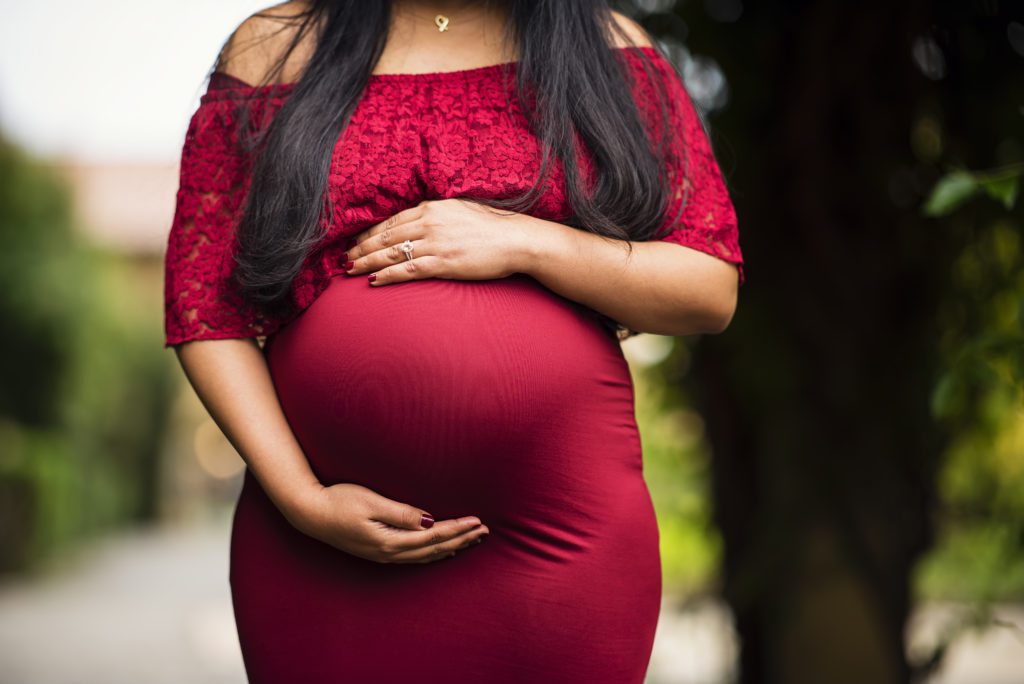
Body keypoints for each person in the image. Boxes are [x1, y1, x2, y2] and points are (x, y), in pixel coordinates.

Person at [164, 0, 744, 681]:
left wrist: (527, 240)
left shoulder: (608, 48)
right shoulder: (275, 48)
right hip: (321, 543)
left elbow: (707, 285)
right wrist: (301, 498)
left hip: (557, 540)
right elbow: (205, 305)